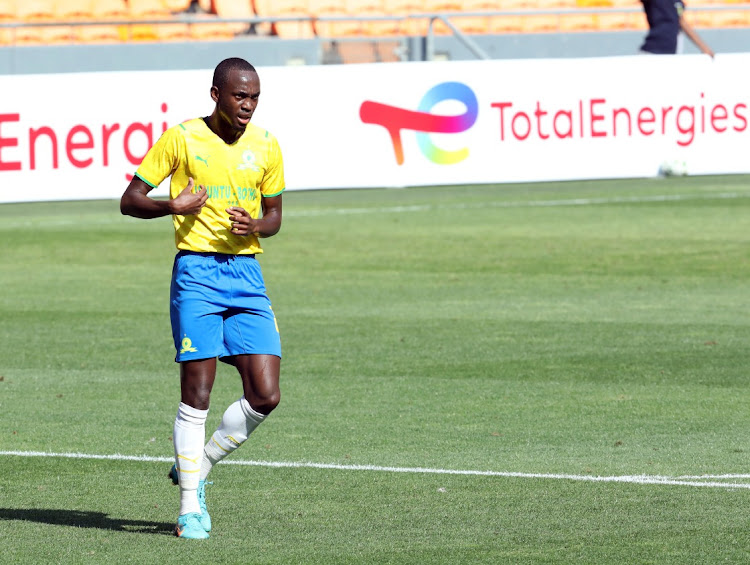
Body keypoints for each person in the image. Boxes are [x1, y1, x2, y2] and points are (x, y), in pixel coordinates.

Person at [120, 57, 285, 540]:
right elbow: (130, 199)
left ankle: (200, 462)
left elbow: (275, 216)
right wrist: (172, 204)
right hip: (196, 273)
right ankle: (190, 506)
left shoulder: (267, 144)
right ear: (216, 94)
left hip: (247, 275)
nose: (247, 106)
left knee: (266, 394)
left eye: (254, 97)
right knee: (198, 390)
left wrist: (256, 225)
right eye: (239, 96)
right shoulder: (182, 138)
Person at [640, 0, 715, 57]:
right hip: (653, 52)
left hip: (672, 52)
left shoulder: (678, 2)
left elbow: (681, 20)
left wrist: (704, 47)